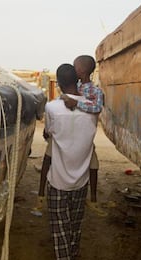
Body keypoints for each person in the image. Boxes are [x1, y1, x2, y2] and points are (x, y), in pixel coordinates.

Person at [45, 63, 98, 260]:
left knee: (60, 233)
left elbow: (49, 132)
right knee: (74, 230)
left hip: (58, 180)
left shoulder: (52, 108)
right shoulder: (93, 109)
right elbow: (90, 105)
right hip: (81, 179)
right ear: (76, 81)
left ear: (57, 82)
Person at [36, 55, 104, 209]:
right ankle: (41, 192)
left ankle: (92, 197)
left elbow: (96, 108)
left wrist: (77, 104)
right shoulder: (78, 88)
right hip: (76, 129)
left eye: (75, 66)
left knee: (51, 156)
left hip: (78, 132)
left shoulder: (95, 92)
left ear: (80, 71)